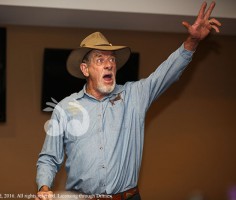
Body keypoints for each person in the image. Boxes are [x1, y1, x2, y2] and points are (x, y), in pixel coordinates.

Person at [36, 2, 221, 200]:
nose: (108, 65)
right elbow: (49, 157)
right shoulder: (65, 108)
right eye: (100, 60)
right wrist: (44, 187)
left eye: (112, 60)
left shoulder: (134, 95)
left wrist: (192, 42)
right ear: (85, 69)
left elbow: (165, 74)